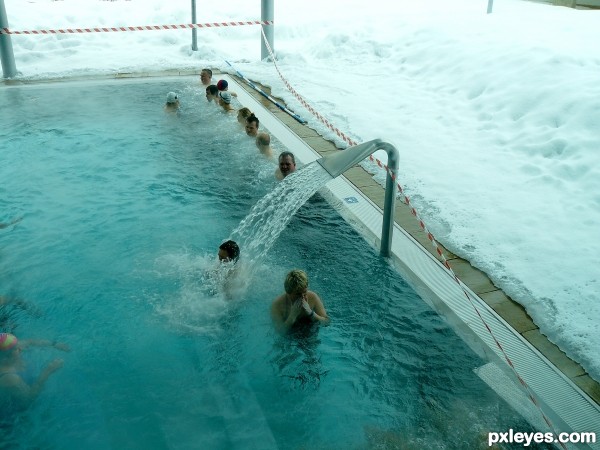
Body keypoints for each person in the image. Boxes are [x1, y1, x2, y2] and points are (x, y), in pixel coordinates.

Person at [0, 333, 69, 413]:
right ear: (6, 356)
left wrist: (54, 344)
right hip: (15, 413)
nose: (21, 348)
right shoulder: (9, 378)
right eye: (17, 349)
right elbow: (29, 398)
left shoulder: (9, 348)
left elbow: (31, 342)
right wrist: (48, 371)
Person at [271, 269, 329, 334]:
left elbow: (326, 322)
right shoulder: (277, 305)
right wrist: (292, 316)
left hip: (309, 331)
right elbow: (279, 332)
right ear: (288, 292)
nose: (302, 296)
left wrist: (310, 313)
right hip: (289, 334)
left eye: (304, 292)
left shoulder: (312, 297)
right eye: (298, 294)